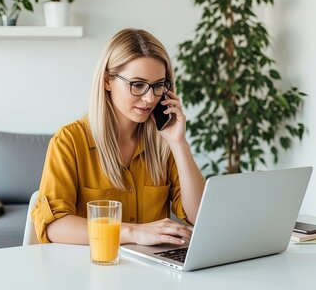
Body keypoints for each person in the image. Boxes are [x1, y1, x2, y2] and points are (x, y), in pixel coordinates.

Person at [31, 28, 205, 246]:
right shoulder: (69, 141)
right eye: (138, 84)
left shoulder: (164, 144)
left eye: (158, 85)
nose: (150, 98)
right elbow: (54, 226)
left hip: (152, 274)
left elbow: (199, 216)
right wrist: (133, 232)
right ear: (107, 81)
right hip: (90, 269)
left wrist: (179, 143)